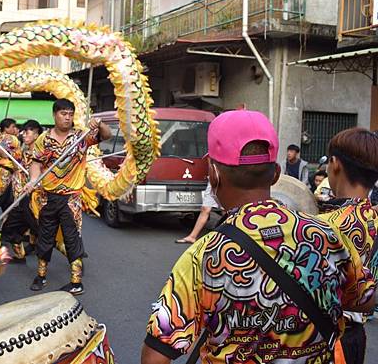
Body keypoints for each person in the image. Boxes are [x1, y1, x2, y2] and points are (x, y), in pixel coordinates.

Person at [141, 110, 375, 364]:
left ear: (214, 174)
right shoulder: (327, 236)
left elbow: (156, 355)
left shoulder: (203, 256)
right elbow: (364, 301)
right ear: (276, 174)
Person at [26, 99, 111, 295]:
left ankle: (76, 281)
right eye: (63, 113)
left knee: (72, 239)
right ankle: (41, 275)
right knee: (45, 237)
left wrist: (99, 124)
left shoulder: (82, 136)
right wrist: (32, 180)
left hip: (71, 198)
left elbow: (106, 135)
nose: (67, 117)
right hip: (49, 196)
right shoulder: (44, 139)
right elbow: (37, 163)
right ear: (54, 114)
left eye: (70, 114)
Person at [317, 128, 378, 364]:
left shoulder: (321, 226)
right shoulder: (372, 218)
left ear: (334, 164)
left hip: (328, 337)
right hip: (356, 336)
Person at [0, 119, 42, 262]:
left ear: (36, 135)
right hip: (21, 198)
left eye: (27, 132)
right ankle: (20, 256)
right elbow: (6, 153)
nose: (24, 134)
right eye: (23, 131)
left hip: (36, 201)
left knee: (46, 235)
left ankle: (74, 257)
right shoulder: (23, 151)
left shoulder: (42, 154)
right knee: (11, 228)